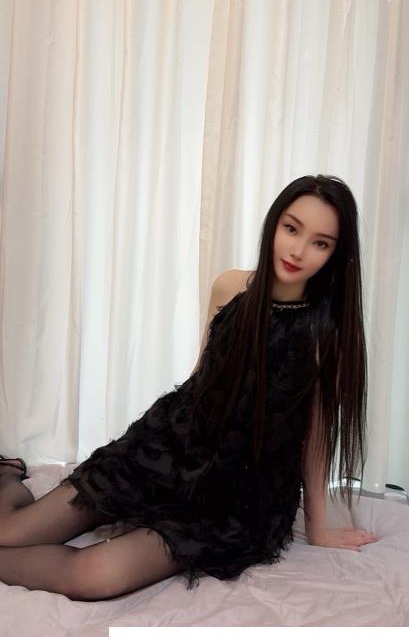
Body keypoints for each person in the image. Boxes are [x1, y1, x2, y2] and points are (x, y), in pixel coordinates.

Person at [0, 173, 379, 601]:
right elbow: (202, 380)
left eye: (320, 243)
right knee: (9, 532)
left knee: (94, 576)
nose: (298, 250)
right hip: (168, 452)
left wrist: (318, 527)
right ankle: (8, 473)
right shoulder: (230, 286)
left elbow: (317, 432)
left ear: (335, 254)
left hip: (232, 498)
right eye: (292, 229)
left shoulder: (326, 333)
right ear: (274, 223)